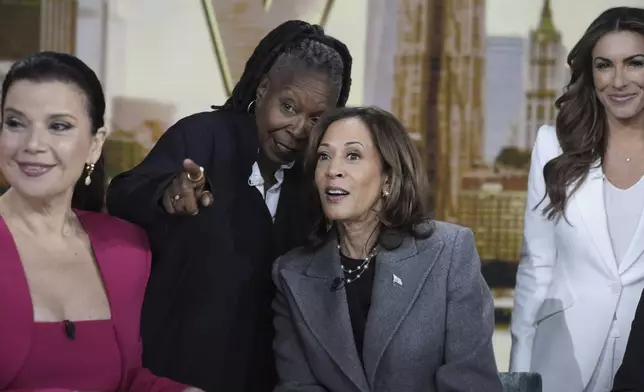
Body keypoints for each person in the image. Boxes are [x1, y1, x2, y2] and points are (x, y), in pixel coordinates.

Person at [106, 20, 352, 391]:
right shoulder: (203, 136)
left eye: (316, 119)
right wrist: (168, 194)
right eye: (288, 107)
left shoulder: (316, 182)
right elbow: (124, 195)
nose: (299, 129)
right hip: (179, 374)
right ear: (264, 88)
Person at [0, 52, 199, 391]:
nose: (32, 145)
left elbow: (129, 380)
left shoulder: (126, 249)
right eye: (15, 123)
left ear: (94, 145)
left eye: (58, 126)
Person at [271, 106, 502, 392]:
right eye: (324, 156)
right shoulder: (291, 274)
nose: (333, 170)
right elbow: (298, 386)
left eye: (352, 156)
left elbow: (471, 383)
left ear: (388, 179)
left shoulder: (449, 252)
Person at [510, 7, 644, 392]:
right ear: (591, 73)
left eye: (635, 63)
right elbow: (535, 267)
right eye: (605, 65)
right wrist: (521, 376)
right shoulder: (552, 146)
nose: (618, 81)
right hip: (562, 361)